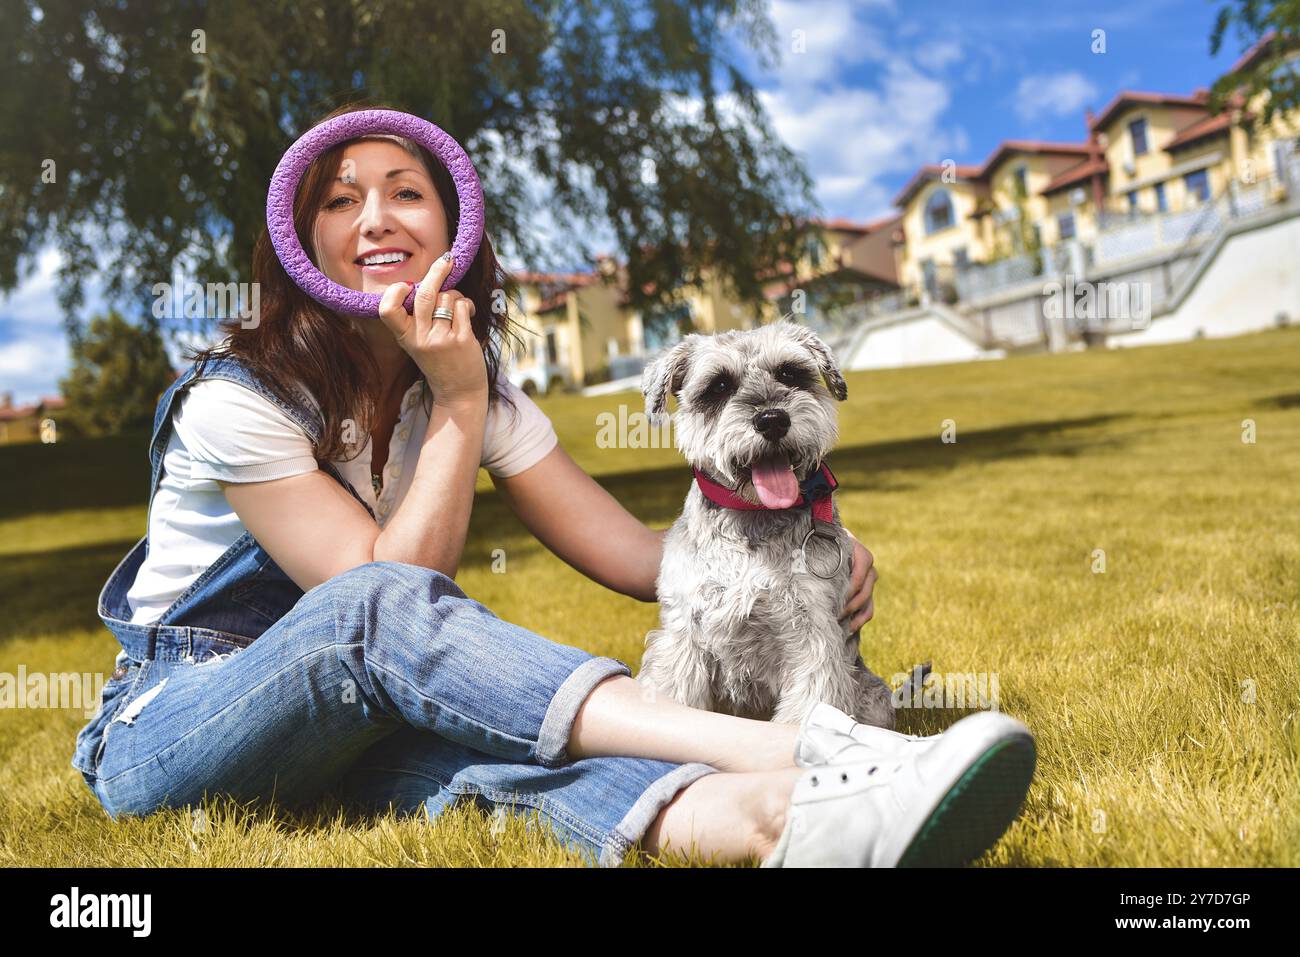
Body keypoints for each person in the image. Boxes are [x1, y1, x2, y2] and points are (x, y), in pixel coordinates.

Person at [71, 102, 1036, 867]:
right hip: (177, 728)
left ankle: (785, 819)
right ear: (301, 240)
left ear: (453, 223)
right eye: (339, 200)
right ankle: (802, 752)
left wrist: (802, 534)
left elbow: (645, 562)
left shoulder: (474, 382)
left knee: (514, 761)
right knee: (375, 607)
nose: (374, 217)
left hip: (338, 736)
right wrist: (456, 399)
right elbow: (382, 594)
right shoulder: (239, 399)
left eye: (406, 191)